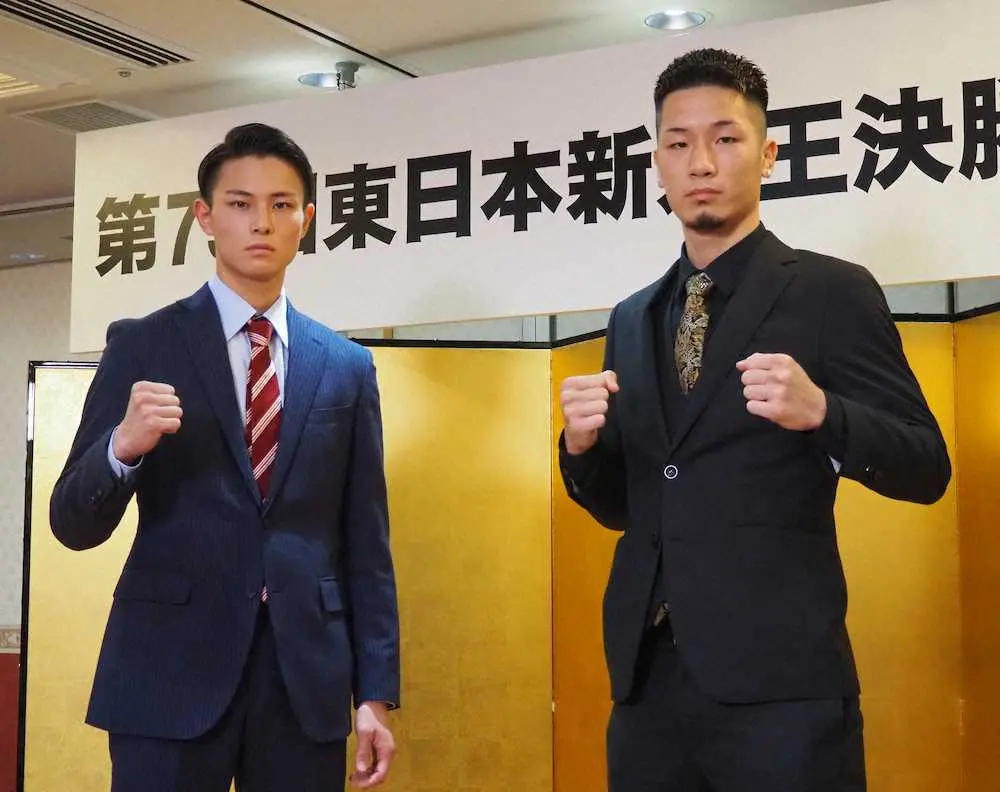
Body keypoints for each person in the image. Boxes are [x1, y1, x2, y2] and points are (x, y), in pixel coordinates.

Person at [558, 48, 951, 792]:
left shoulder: (832, 292)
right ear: (658, 163)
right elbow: (630, 507)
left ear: (768, 155)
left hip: (783, 689)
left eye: (726, 138)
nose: (701, 162)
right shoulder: (633, 317)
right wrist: (580, 449)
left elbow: (926, 465)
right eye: (679, 143)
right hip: (647, 685)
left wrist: (825, 413)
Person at [50, 123, 399, 791]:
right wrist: (121, 447)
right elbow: (71, 521)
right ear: (205, 218)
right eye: (240, 204)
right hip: (167, 672)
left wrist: (374, 692)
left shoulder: (346, 366)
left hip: (303, 681)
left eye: (281, 204)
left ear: (306, 221)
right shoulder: (144, 345)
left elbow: (367, 545)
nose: (261, 222)